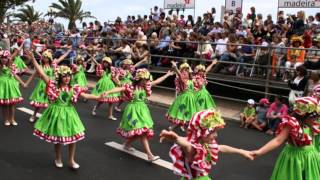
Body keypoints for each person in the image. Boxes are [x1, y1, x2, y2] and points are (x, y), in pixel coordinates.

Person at [28, 51, 104, 169]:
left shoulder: (73, 88)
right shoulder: (53, 86)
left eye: (69, 75)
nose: (67, 78)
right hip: (57, 113)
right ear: (60, 77)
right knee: (58, 139)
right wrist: (33, 59)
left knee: (73, 138)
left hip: (69, 114)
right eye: (64, 76)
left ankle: (71, 160)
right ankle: (58, 157)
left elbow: (85, 95)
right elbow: (42, 74)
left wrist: (97, 97)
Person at [160, 109, 254, 180]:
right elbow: (186, 145)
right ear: (201, 132)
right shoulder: (192, 148)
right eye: (212, 132)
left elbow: (222, 148)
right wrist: (176, 138)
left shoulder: (204, 143)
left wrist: (241, 151)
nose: (216, 135)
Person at [103, 68, 173, 161]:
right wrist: (108, 92)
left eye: (147, 80)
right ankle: (149, 155)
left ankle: (127, 144)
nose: (146, 81)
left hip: (142, 111)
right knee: (142, 132)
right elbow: (119, 88)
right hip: (132, 111)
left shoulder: (146, 86)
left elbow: (156, 81)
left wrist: (167, 75)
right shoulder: (130, 87)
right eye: (145, 79)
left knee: (140, 131)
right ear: (139, 79)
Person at [251, 97, 320, 180]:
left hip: (310, 157)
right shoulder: (292, 124)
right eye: (314, 116)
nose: (316, 119)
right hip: (295, 159)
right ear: (304, 114)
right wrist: (259, 152)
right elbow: (278, 140)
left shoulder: (311, 124)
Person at [29, 49, 72, 122]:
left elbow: (61, 58)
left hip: (51, 85)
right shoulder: (41, 66)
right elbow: (34, 74)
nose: (45, 59)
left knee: (50, 102)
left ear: (49, 58)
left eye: (46, 57)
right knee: (39, 102)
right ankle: (34, 115)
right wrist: (27, 83)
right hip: (42, 85)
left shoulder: (53, 65)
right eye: (44, 57)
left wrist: (67, 52)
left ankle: (47, 117)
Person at [0, 50, 31, 126]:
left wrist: (22, 83)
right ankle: (6, 119)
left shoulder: (11, 66)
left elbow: (16, 75)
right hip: (2, 86)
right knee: (4, 104)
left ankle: (12, 119)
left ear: (8, 59)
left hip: (11, 85)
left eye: (6, 58)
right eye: (2, 57)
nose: (4, 59)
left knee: (12, 104)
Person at [166, 61, 197, 131]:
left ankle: (172, 128)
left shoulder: (191, 81)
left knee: (187, 118)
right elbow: (180, 76)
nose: (185, 72)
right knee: (184, 117)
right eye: (183, 71)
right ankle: (187, 135)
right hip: (184, 100)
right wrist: (176, 68)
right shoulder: (183, 81)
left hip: (191, 101)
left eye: (186, 71)